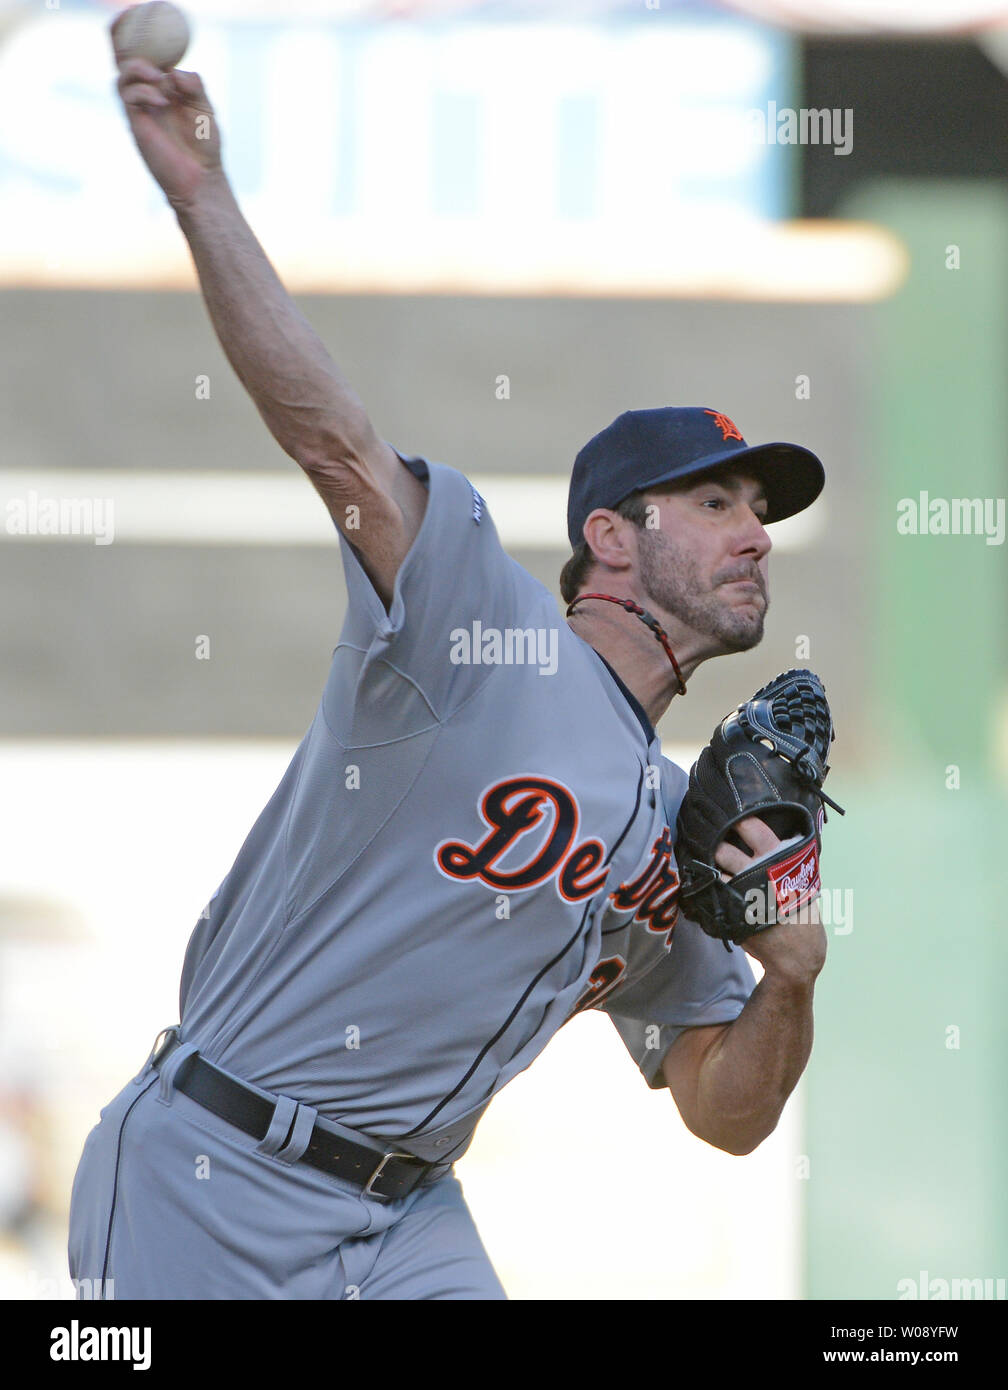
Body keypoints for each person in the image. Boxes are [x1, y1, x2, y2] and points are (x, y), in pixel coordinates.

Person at [67, 56, 828, 1301]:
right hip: (213, 1170)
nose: (754, 532)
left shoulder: (685, 822)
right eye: (715, 501)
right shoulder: (482, 627)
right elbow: (331, 436)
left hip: (411, 1211)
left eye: (762, 509)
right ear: (614, 538)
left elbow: (723, 1110)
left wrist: (790, 978)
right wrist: (203, 197)